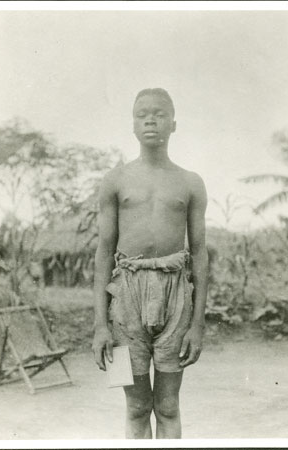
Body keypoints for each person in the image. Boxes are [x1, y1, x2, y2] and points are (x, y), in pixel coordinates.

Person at [93, 88, 208, 439]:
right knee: (136, 407)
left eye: (159, 113)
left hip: (176, 298)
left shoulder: (191, 182)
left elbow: (200, 253)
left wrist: (197, 325)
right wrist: (100, 324)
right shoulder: (115, 180)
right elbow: (103, 251)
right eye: (142, 113)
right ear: (132, 125)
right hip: (125, 298)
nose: (150, 119)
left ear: (173, 123)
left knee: (169, 407)